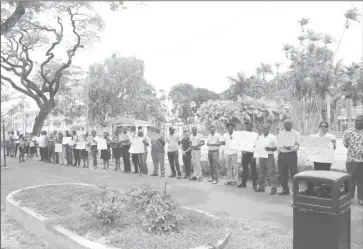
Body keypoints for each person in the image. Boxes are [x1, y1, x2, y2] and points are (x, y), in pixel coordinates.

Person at [277, 120, 301, 195]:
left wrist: (290, 148)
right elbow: (279, 145)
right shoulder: (281, 134)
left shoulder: (296, 133)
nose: (289, 125)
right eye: (287, 124)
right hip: (282, 155)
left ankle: (295, 190)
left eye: (290, 123)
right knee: (283, 173)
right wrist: (279, 154)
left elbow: (297, 146)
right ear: (284, 125)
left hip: (292, 155)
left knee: (294, 172)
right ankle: (285, 189)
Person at [343, 115, 363, 205]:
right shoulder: (349, 131)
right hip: (351, 160)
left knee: (361, 180)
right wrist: (355, 151)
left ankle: (361, 198)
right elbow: (345, 144)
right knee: (350, 179)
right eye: (356, 121)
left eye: (360, 121)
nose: (358, 122)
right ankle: (349, 197)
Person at [254, 124, 278, 195]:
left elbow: (276, 147)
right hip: (261, 155)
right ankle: (261, 187)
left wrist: (270, 149)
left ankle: (274, 188)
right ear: (262, 129)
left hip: (269, 156)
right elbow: (257, 146)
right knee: (261, 172)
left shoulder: (273, 137)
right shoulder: (260, 137)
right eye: (264, 128)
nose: (265, 129)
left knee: (271, 172)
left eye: (266, 128)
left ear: (269, 129)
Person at [239, 121, 259, 189]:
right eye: (247, 125)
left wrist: (254, 155)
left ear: (252, 126)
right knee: (245, 169)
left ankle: (254, 184)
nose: (248, 126)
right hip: (245, 153)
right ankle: (243, 183)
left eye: (250, 125)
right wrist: (242, 152)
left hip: (252, 153)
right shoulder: (242, 133)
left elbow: (257, 144)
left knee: (254, 169)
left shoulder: (255, 134)